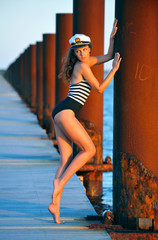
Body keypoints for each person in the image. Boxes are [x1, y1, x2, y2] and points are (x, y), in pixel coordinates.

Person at [48, 19, 122, 224]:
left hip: (60, 112)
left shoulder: (86, 62)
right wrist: (114, 70)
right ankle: (60, 183)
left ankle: (55, 206)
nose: (81, 54)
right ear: (75, 54)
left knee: (66, 158)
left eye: (83, 49)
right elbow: (98, 89)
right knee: (89, 150)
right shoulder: (82, 65)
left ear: (89, 48)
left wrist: (111, 39)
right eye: (77, 51)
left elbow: (107, 56)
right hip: (67, 112)